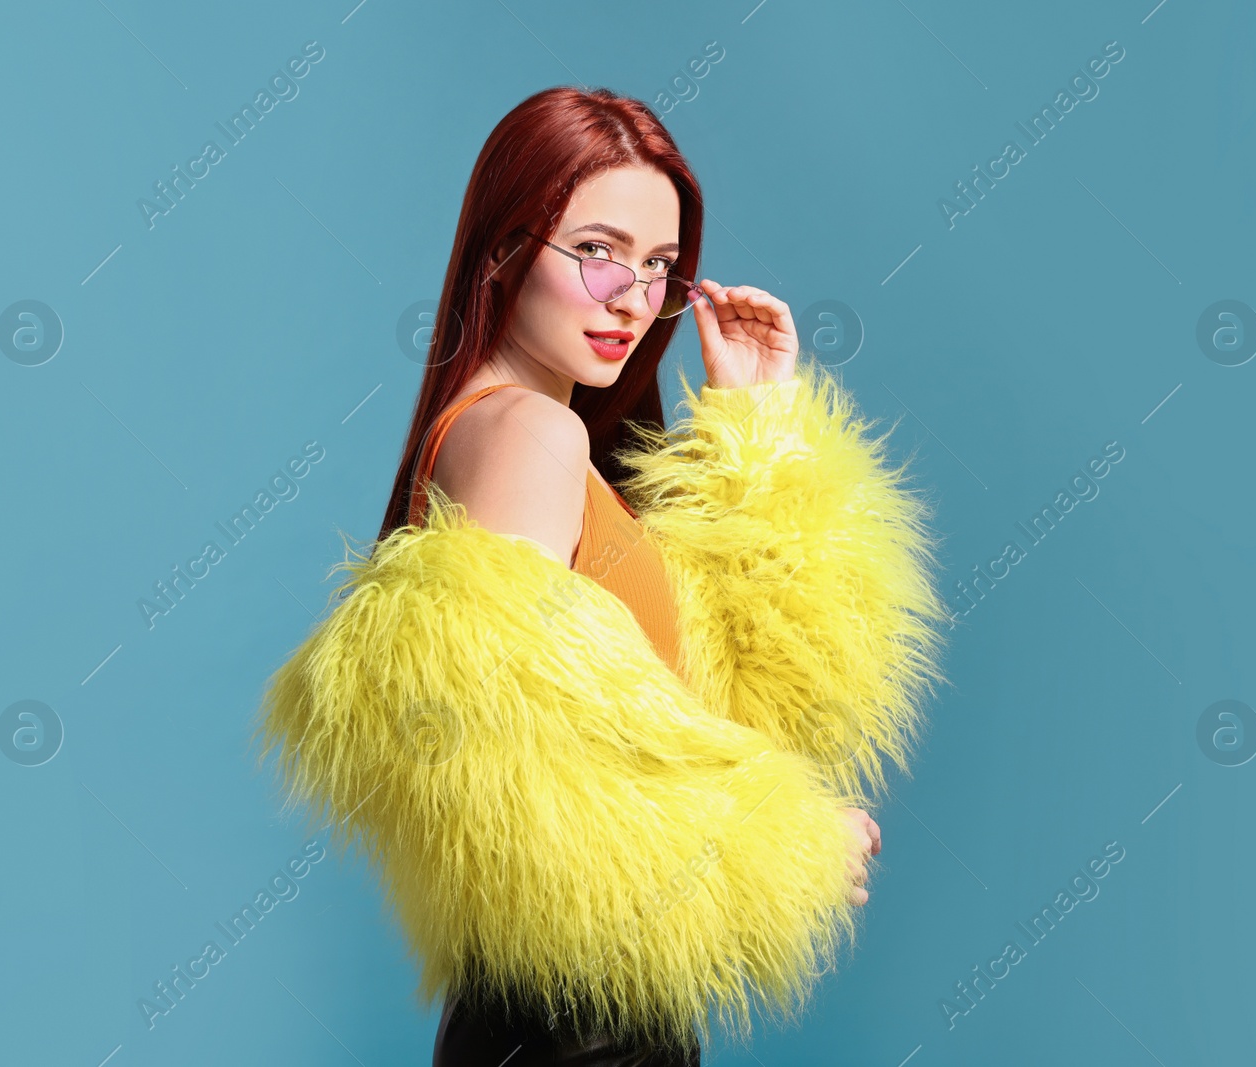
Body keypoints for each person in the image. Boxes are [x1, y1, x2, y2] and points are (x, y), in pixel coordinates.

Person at [257, 86, 948, 1066]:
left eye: (660, 265)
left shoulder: (541, 444)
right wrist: (785, 842)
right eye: (597, 250)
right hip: (576, 1025)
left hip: (569, 1013)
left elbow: (713, 702)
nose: (631, 294)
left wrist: (754, 423)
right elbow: (540, 770)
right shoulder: (529, 434)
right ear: (504, 246)